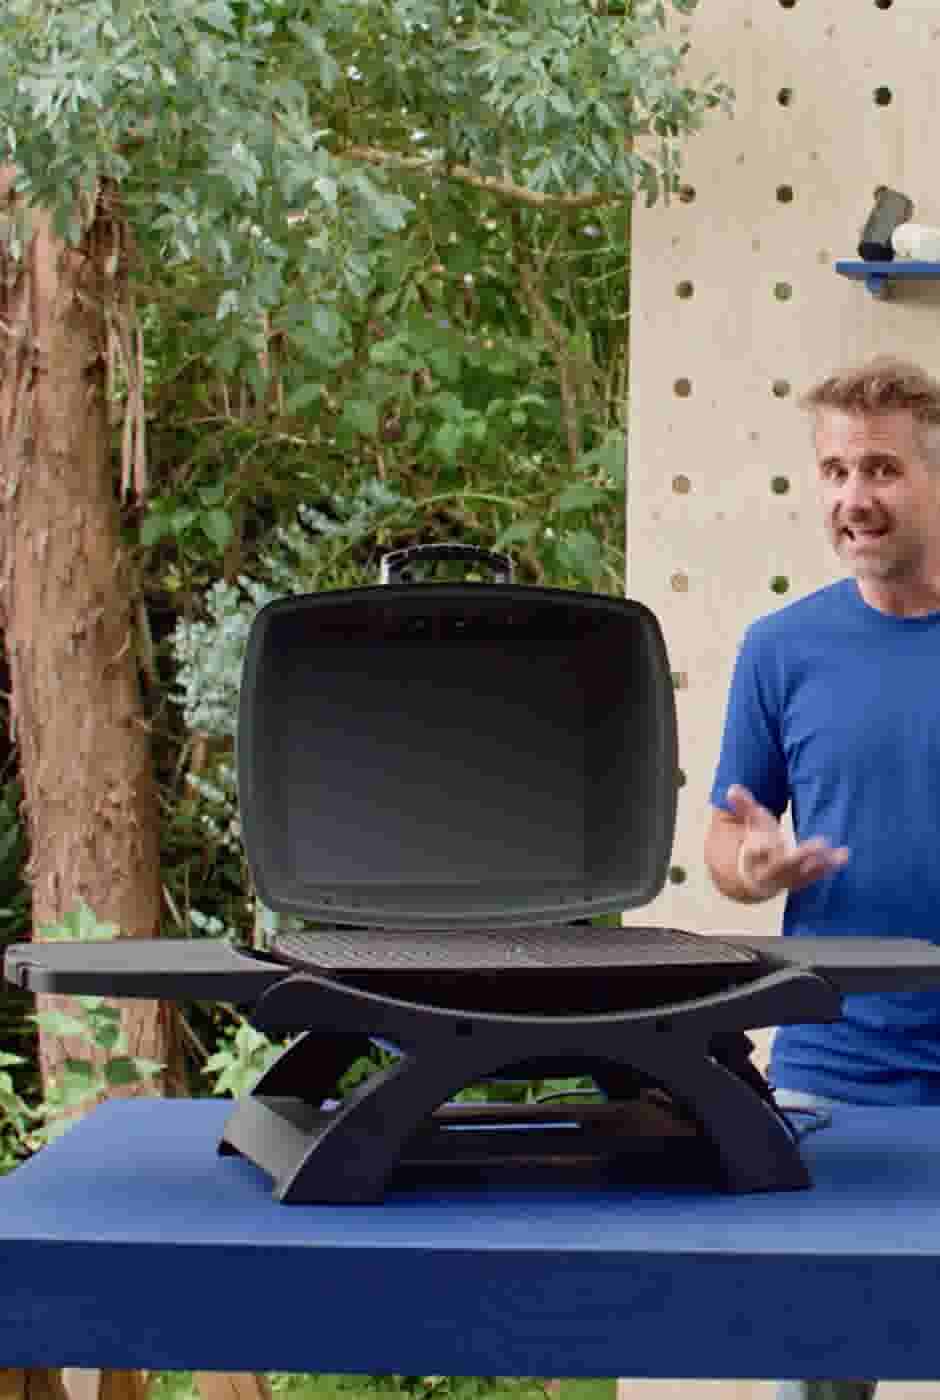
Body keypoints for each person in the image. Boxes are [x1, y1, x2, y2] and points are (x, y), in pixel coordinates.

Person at [705, 356, 940, 1400]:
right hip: (832, 1073)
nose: (852, 498)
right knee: (818, 1380)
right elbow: (725, 840)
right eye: (835, 470)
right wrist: (750, 868)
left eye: (881, 468)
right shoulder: (780, 649)